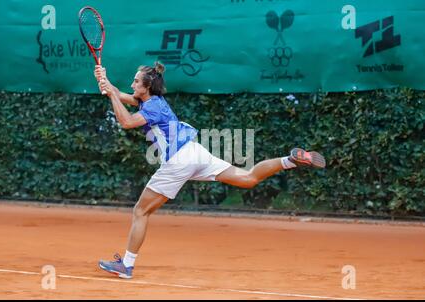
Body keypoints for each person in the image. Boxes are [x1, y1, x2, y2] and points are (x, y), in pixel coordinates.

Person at [94, 62, 326, 279]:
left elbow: (125, 121)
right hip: (195, 153)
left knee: (140, 212)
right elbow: (121, 96)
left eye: (136, 82)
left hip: (178, 160)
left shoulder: (152, 106)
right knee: (248, 178)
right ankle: (290, 160)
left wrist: (112, 92)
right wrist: (105, 82)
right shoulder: (152, 100)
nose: (132, 85)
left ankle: (127, 264)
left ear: (146, 87)